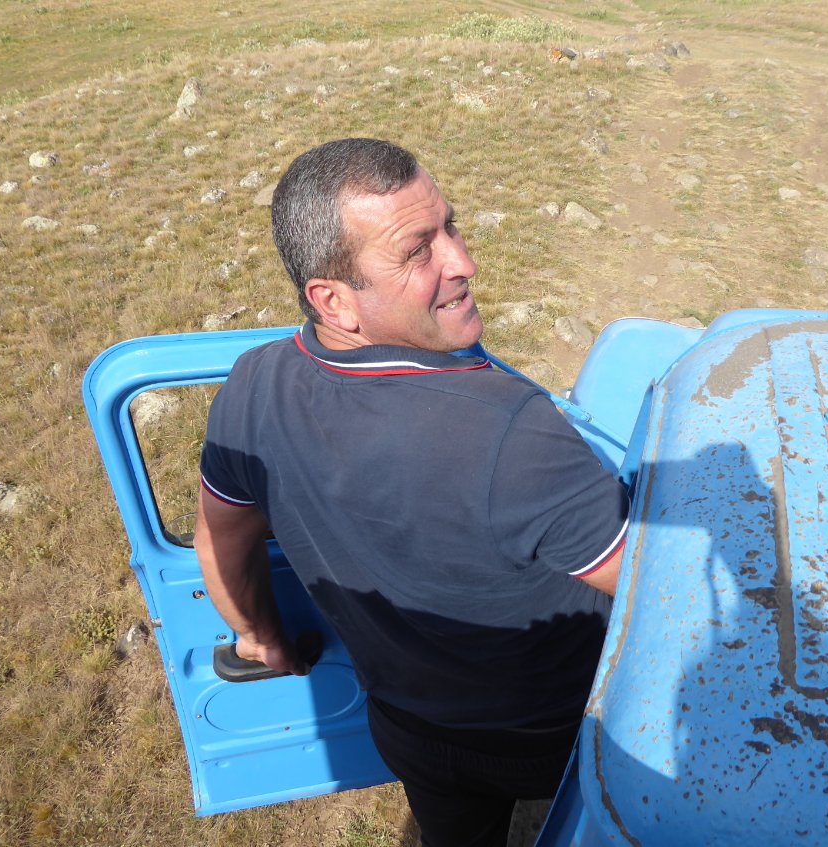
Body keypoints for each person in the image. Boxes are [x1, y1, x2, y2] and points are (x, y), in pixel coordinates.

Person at [194, 138, 629, 847]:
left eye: (450, 227)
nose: (464, 262)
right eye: (418, 250)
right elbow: (659, 592)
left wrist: (261, 636)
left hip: (404, 727)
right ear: (333, 300)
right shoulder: (514, 431)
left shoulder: (251, 386)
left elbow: (221, 536)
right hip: (552, 732)